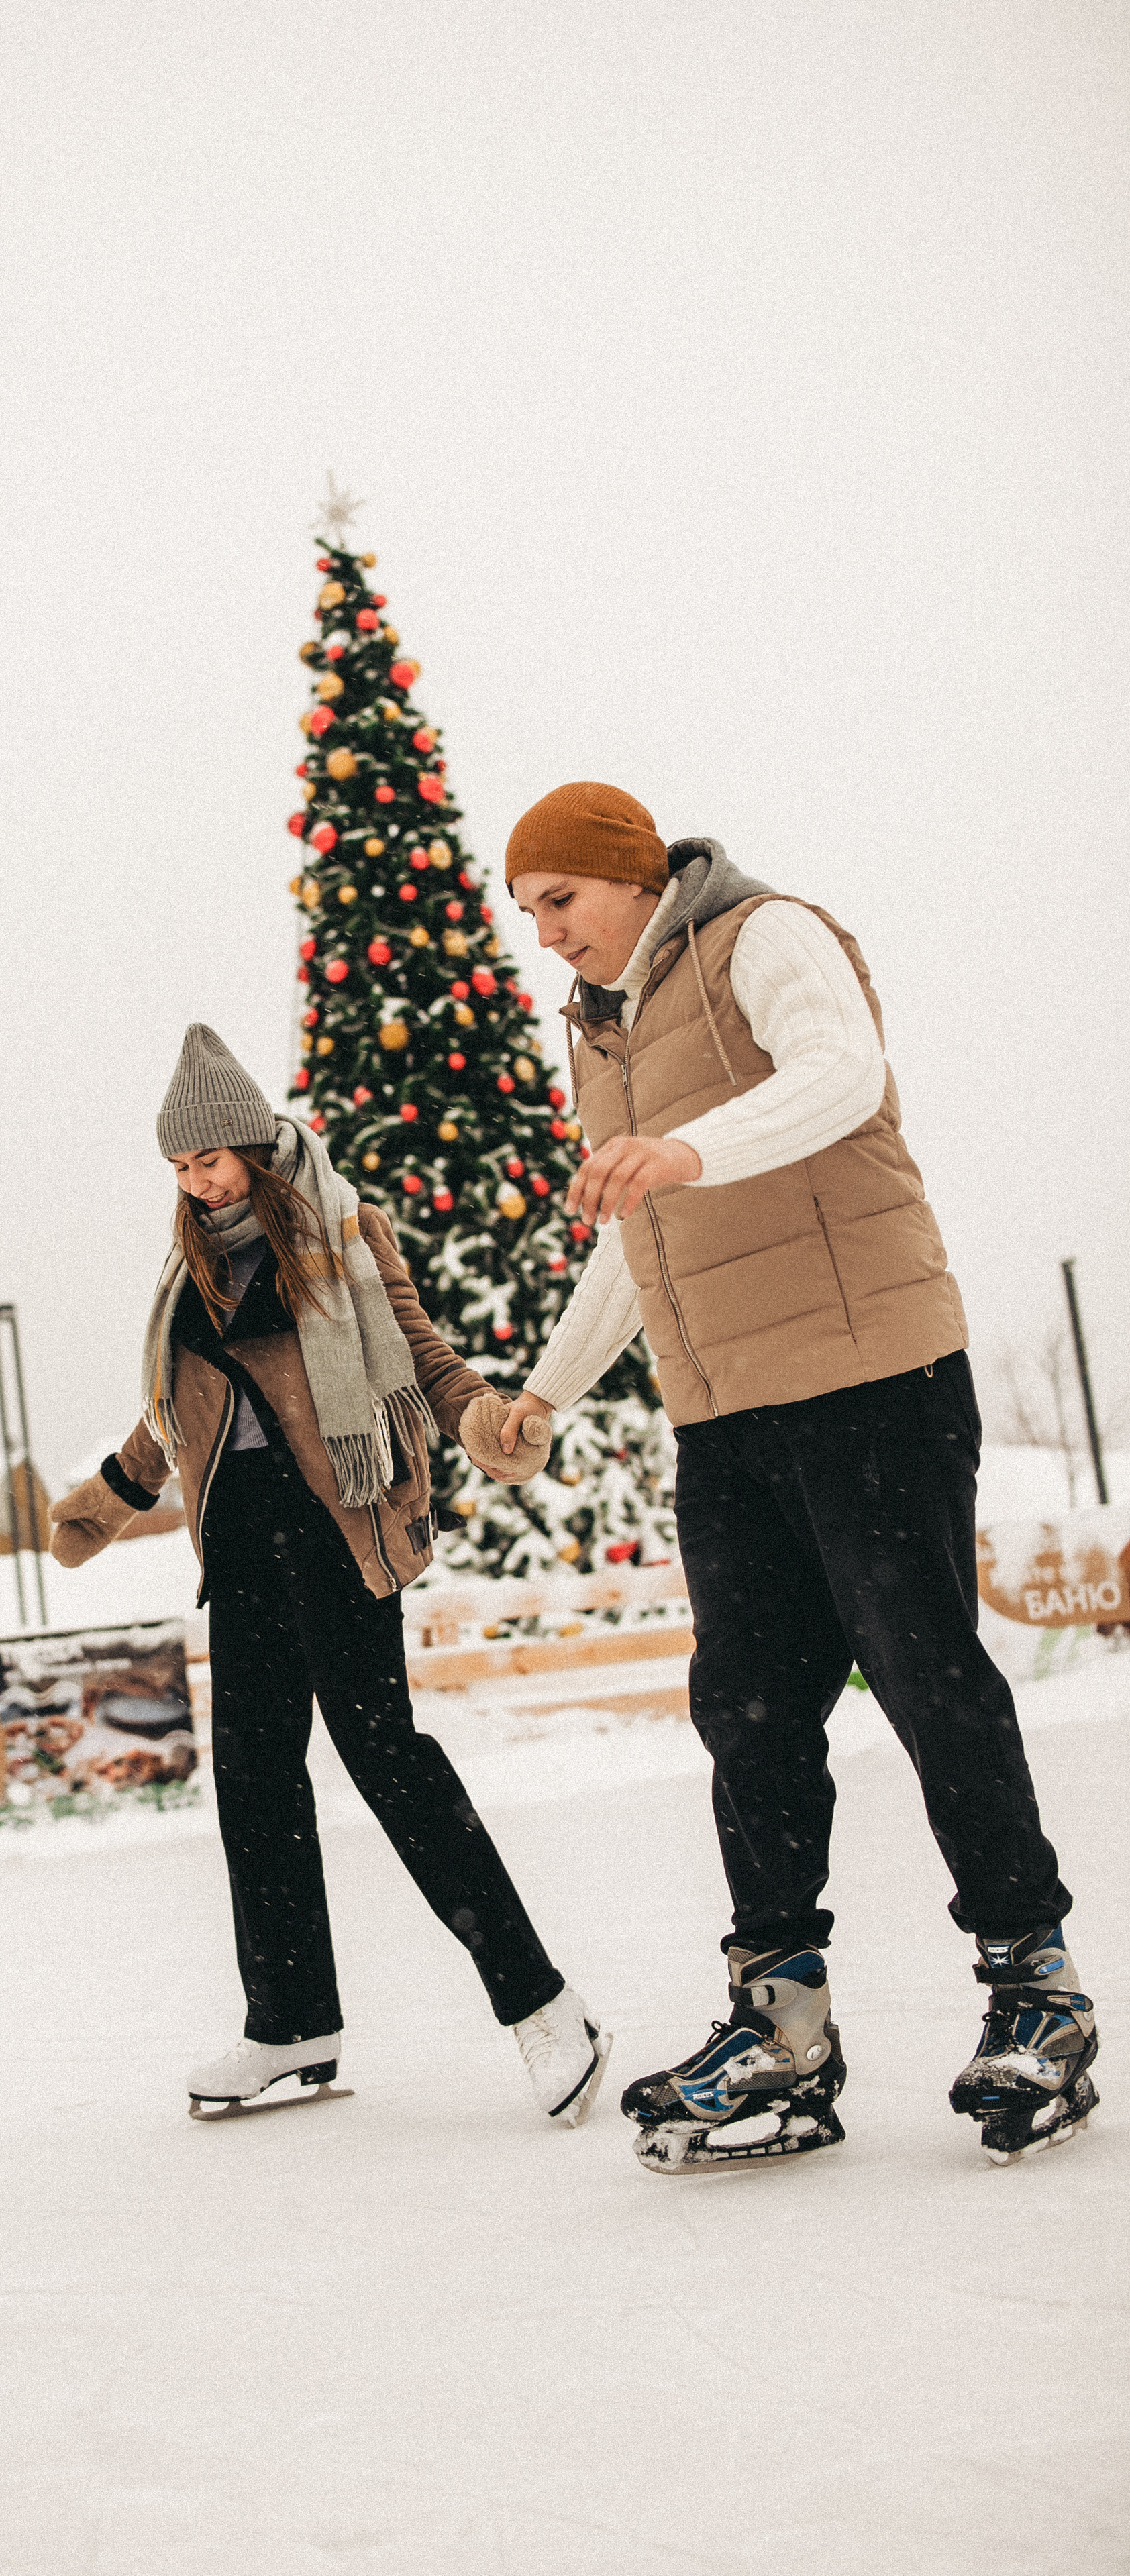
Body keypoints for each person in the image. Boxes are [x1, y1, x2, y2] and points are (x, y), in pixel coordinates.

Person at [496, 782, 1097, 2174]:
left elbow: (837, 1073)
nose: (543, 936)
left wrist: (688, 1146)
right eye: (524, 912)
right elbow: (632, 1239)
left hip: (868, 1379)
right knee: (750, 1715)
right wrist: (541, 1394)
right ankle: (777, 2025)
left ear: (632, 877)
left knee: (923, 1675)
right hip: (725, 1416)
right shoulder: (605, 1033)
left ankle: (1033, 1992)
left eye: (559, 901)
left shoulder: (759, 937)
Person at [50, 1022, 612, 2125]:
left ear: (255, 1147)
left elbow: (422, 1350)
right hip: (241, 1541)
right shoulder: (194, 1270)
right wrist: (111, 1497)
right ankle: (290, 2024)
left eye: (209, 1159)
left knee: (388, 1758)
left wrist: (482, 1421)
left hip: (341, 1521)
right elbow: (179, 1412)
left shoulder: (342, 1229)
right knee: (254, 1782)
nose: (195, 1181)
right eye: (179, 1166)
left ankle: (546, 2007)